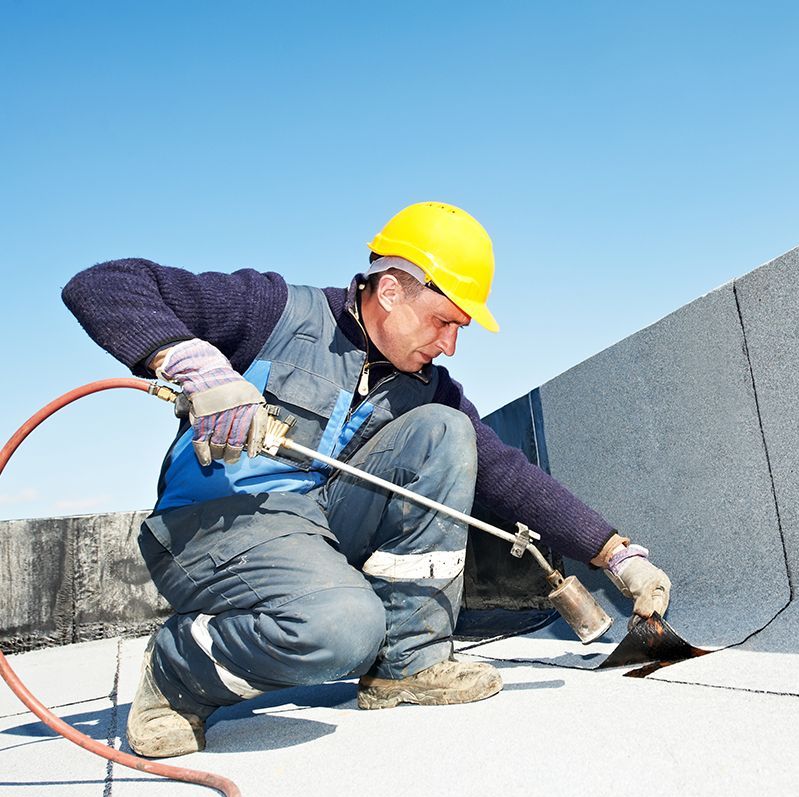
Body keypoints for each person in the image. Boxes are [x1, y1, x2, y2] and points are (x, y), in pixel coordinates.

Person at [62, 201, 671, 758]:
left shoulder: (425, 386)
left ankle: (407, 664)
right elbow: (102, 285)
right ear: (390, 291)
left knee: (445, 432)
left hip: (316, 525)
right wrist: (193, 364)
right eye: (443, 321)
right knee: (342, 630)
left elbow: (507, 475)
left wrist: (615, 555)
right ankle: (177, 671)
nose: (451, 345)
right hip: (217, 523)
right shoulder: (275, 311)